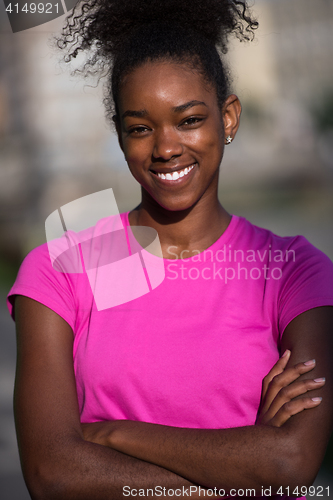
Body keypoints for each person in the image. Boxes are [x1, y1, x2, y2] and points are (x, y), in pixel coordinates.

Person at [7, 0, 333, 499]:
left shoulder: (294, 272)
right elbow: (53, 474)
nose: (165, 148)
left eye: (188, 120)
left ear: (228, 117)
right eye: (140, 127)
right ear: (120, 135)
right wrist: (245, 469)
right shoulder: (60, 270)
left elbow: (290, 462)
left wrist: (112, 435)